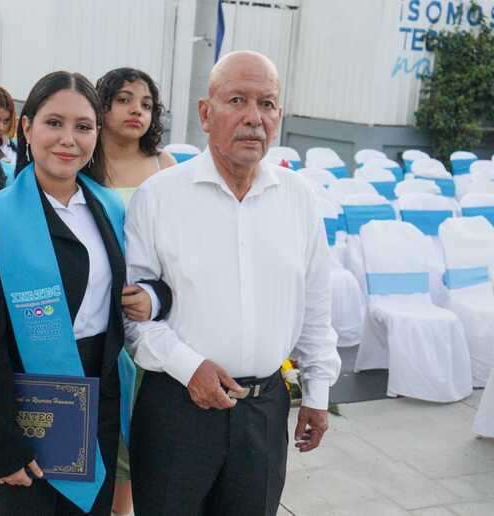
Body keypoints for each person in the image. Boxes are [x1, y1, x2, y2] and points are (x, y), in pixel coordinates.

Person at [125, 51, 342, 516]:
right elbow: (134, 316)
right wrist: (190, 367)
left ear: (279, 114)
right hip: (177, 411)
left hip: (263, 415)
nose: (254, 118)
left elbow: (317, 310)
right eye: (237, 100)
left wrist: (317, 394)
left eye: (267, 103)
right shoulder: (159, 197)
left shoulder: (299, 200)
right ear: (206, 113)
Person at [0, 71, 164, 516]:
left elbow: (138, 285)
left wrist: (153, 296)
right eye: (54, 123)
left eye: (83, 126)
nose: (68, 139)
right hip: (27, 399)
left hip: (99, 397)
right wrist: (2, 443)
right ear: (27, 127)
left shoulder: (109, 206)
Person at [94, 66, 176, 516]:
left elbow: (182, 250)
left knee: (136, 421)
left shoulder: (164, 166)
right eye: (124, 100)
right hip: (92, 311)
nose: (136, 111)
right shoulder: (83, 160)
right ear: (101, 105)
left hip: (147, 313)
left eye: (145, 104)